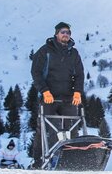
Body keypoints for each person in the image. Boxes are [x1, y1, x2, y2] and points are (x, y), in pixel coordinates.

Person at [31, 21, 85, 166]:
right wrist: (45, 91)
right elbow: (36, 72)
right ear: (56, 34)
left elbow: (79, 74)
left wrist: (78, 92)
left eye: (68, 33)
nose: (65, 35)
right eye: (63, 32)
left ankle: (73, 160)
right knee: (46, 129)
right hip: (49, 97)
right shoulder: (45, 51)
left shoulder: (73, 53)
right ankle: (39, 161)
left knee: (72, 128)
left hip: (68, 97)